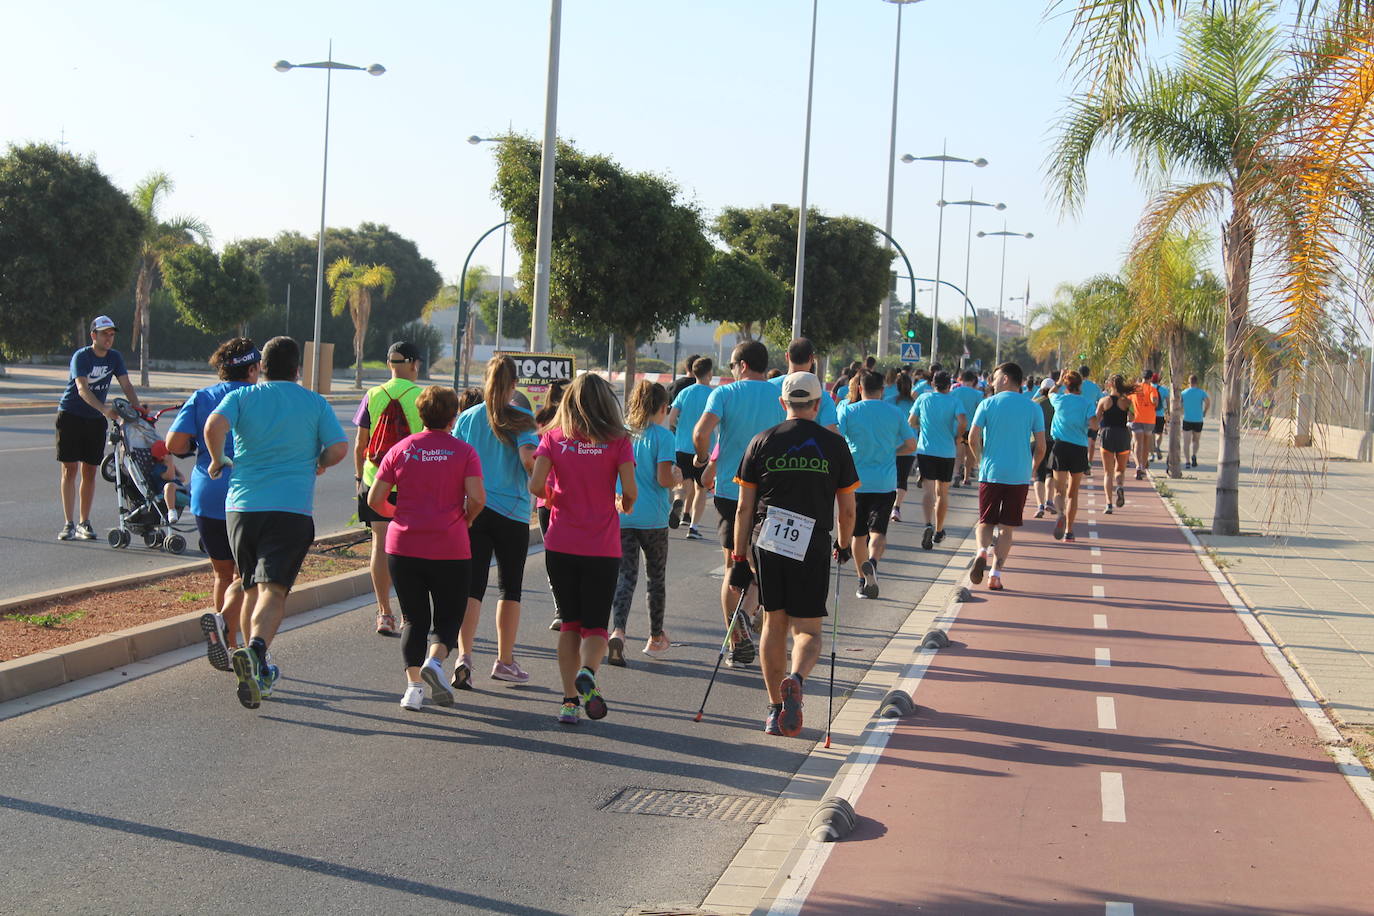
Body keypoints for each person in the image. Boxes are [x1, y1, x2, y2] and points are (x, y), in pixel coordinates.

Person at [204, 336, 349, 709]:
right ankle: (255, 652)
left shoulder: (242, 397)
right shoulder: (314, 402)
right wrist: (320, 460)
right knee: (274, 590)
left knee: (251, 585)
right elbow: (338, 448)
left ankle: (254, 664)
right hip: (289, 510)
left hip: (241, 509)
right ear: (298, 369)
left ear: (262, 367)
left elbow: (212, 426)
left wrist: (218, 459)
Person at [729, 372, 858, 736]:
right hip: (813, 540)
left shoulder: (761, 441)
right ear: (818, 405)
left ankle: (774, 709)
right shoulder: (834, 445)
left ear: (783, 403)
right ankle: (797, 677)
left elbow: (743, 508)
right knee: (809, 631)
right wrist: (844, 544)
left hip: (768, 539)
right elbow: (848, 509)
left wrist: (739, 560)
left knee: (774, 623)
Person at [366, 386, 486, 711]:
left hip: (404, 546)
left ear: (420, 414)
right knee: (449, 615)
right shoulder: (464, 452)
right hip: (450, 545)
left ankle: (413, 689)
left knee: (413, 619)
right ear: (453, 415)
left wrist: (399, 515)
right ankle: (436, 661)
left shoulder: (400, 449)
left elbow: (374, 499)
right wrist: (468, 518)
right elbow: (477, 498)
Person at [529, 373, 636, 725]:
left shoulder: (553, 438)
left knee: (570, 624)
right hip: (601, 545)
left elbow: (535, 485)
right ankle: (588, 670)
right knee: (595, 626)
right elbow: (630, 492)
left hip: (560, 543)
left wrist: (555, 495)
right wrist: (624, 503)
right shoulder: (618, 440)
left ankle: (569, 703)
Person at [167, 337, 260, 672]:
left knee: (223, 573)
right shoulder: (257, 398)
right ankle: (240, 641)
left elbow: (174, 443)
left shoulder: (203, 397)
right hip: (247, 497)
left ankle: (227, 640)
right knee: (248, 577)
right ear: (252, 368)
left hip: (207, 495)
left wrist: (200, 449)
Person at [692, 339, 785, 663]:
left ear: (742, 365)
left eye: (731, 366)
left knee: (734, 563)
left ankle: (735, 640)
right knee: (764, 566)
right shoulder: (780, 396)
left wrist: (703, 458)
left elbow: (701, 433)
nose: (730, 371)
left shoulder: (725, 394)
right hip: (773, 494)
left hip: (732, 493)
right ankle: (751, 615)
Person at [452, 355, 540, 687]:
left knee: (472, 587)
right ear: (514, 384)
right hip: (512, 513)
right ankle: (504, 660)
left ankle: (464, 656)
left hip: (473, 510)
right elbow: (528, 460)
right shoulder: (521, 418)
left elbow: (456, 464)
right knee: (510, 588)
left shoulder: (468, 418)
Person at [353, 341, 425, 636]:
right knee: (415, 548)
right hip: (414, 483)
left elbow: (361, 444)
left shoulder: (372, 395)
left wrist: (360, 479)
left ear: (388, 365)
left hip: (376, 480)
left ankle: (384, 612)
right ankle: (413, 612)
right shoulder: (423, 396)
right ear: (414, 364)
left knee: (380, 545)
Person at [609, 381, 680, 664]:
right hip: (654, 519)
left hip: (623, 514)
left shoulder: (621, 435)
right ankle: (655, 637)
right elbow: (663, 478)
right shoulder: (664, 437)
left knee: (625, 577)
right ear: (663, 408)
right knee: (655, 578)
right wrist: (677, 477)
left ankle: (619, 631)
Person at [55, 315, 141, 540]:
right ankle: (69, 523)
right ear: (94, 335)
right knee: (69, 470)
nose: (109, 338)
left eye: (112, 334)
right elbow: (82, 389)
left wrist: (138, 409)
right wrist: (105, 409)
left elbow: (126, 384)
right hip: (71, 416)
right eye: (104, 334)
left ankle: (84, 522)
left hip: (94, 421)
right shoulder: (81, 357)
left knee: (90, 470)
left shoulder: (115, 358)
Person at [968, 362, 1047, 591]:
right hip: (1018, 475)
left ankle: (982, 551)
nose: (991, 382)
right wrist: (1033, 468)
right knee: (1006, 528)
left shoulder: (987, 404)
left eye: (995, 377)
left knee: (985, 522)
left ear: (1005, 379)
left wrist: (980, 460)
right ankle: (995, 573)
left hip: (991, 473)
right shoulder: (1033, 408)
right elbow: (1041, 446)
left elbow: (973, 438)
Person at [838, 370, 916, 598]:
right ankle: (872, 561)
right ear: (882, 390)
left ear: (860, 388)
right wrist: (894, 451)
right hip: (885, 483)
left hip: (856, 483)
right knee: (878, 531)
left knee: (858, 535)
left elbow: (837, 441)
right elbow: (912, 445)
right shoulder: (894, 412)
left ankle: (862, 583)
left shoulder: (849, 411)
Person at [907, 370, 967, 548]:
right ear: (949, 385)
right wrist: (958, 435)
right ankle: (939, 530)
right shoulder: (955, 401)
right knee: (942, 493)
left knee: (928, 491)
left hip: (926, 450)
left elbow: (911, 420)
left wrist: (921, 426)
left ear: (933, 384)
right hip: (947, 451)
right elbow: (963, 421)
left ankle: (927, 524)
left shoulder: (923, 399)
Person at [668, 356, 715, 540]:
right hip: (703, 448)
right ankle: (693, 528)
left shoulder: (684, 393)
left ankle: (679, 501)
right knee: (701, 488)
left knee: (683, 482)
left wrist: (676, 433)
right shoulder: (713, 395)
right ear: (710, 374)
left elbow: (671, 419)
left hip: (681, 446)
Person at [1048, 370, 1096, 542]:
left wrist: (1058, 382)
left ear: (1066, 385)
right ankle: (1069, 531)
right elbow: (1094, 425)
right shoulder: (1087, 403)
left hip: (1060, 447)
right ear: (1080, 385)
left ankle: (1060, 513)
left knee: (1059, 490)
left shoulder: (1059, 399)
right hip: (1079, 448)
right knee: (1073, 492)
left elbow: (1050, 392)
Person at [770, 339, 839, 432]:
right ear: (812, 359)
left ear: (787, 356)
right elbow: (831, 433)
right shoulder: (823, 397)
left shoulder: (768, 387)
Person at [1096, 374, 1136, 513]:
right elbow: (1132, 418)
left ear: (1110, 385)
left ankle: (1108, 504)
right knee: (1120, 470)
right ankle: (1119, 486)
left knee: (1108, 472)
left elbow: (1096, 419)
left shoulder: (1104, 401)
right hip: (1123, 435)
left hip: (1107, 435)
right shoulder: (1127, 402)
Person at [889, 372, 917, 521]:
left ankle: (888, 504)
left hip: (890, 445)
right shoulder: (914, 403)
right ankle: (896, 507)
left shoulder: (888, 402)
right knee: (902, 478)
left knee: (889, 477)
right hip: (909, 446)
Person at [951, 370, 984, 487]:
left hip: (957, 426)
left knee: (958, 452)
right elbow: (980, 411)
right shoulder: (977, 394)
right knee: (970, 453)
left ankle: (955, 473)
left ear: (961, 379)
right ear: (974, 381)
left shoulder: (954, 392)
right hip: (971, 428)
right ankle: (966, 477)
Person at [1032, 377, 1058, 519]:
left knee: (1038, 474)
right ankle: (1049, 500)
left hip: (1036, 441)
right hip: (1053, 441)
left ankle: (1040, 505)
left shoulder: (1035, 403)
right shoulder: (1057, 403)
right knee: (1050, 473)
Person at [1128, 370, 1159, 478]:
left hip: (1137, 419)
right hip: (1149, 420)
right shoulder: (1152, 389)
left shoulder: (1134, 388)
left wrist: (1130, 412)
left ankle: (1138, 465)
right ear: (1150, 378)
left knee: (1137, 443)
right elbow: (1154, 401)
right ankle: (1143, 468)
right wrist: (1153, 401)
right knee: (1146, 444)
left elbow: (1127, 401)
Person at [1078, 365, 1103, 478]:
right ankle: (1088, 464)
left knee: (1078, 442)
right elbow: (1101, 399)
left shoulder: (1076, 385)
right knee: (1091, 443)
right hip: (1091, 417)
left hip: (1078, 418)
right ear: (1088, 374)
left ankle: (1079, 464)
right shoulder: (1094, 387)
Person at [1180, 375, 1210, 467]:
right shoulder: (1201, 393)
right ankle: (1194, 455)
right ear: (1197, 382)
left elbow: (1179, 404)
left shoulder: (1184, 393)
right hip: (1198, 419)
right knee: (1196, 440)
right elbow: (1208, 402)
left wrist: (1182, 411)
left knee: (1186, 442)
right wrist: (1204, 411)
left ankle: (1187, 461)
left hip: (1187, 419)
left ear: (1189, 382)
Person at [1152, 371, 1170, 461]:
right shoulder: (1164, 390)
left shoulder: (1149, 388)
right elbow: (1168, 401)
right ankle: (1157, 445)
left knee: (1151, 433)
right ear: (1159, 380)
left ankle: (1152, 452)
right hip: (1160, 414)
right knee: (1159, 433)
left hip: (1150, 415)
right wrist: (1168, 412)